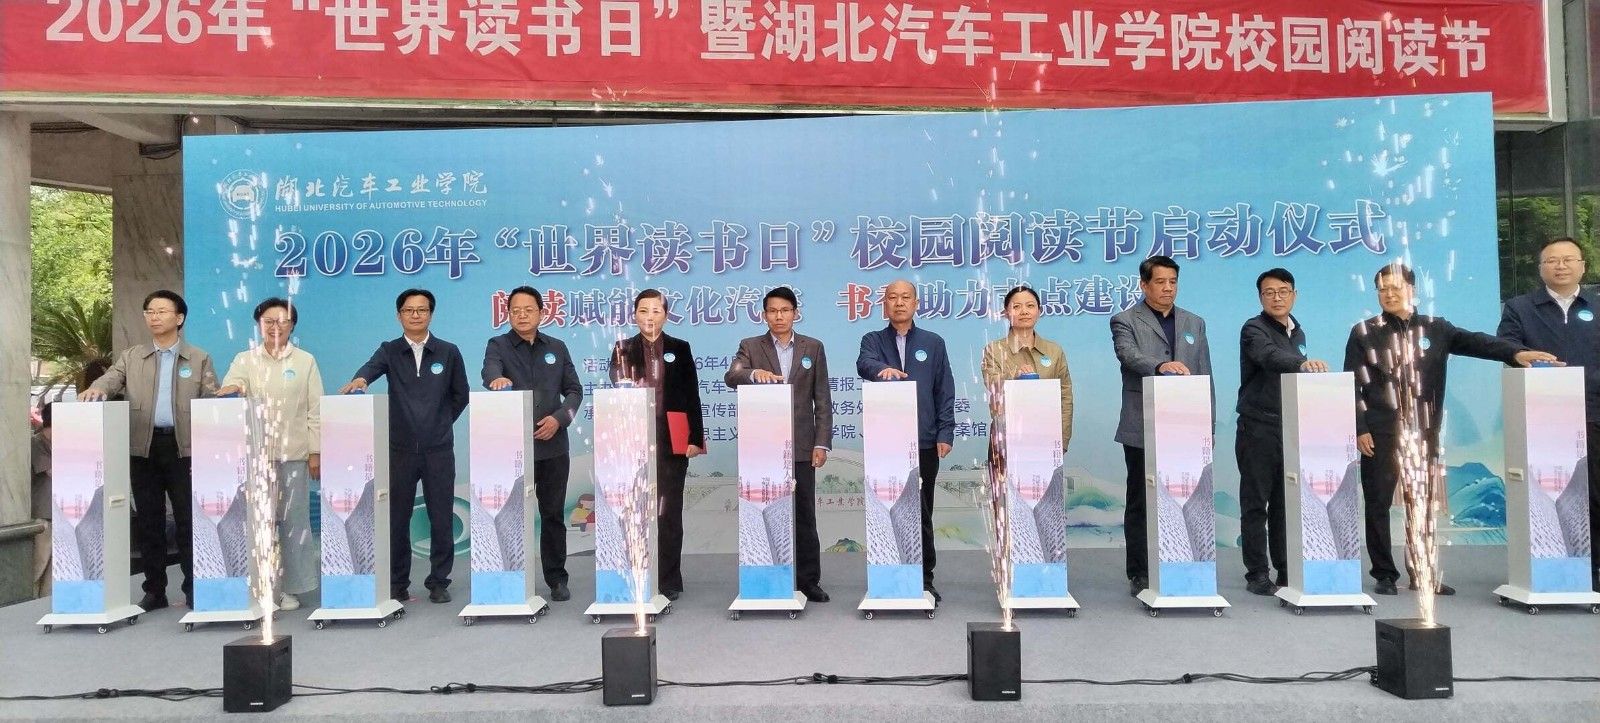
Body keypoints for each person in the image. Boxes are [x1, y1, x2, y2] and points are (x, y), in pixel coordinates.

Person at [1345, 262, 1555, 596]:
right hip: (1381, 433)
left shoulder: (1436, 328)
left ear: (1412, 290)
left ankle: (1422, 573)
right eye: (1382, 289)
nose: (1388, 294)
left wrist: (1516, 353)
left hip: (1423, 432)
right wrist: (1360, 427)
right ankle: (1384, 574)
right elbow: (1353, 385)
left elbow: (1478, 343)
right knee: (1378, 503)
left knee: (1421, 505)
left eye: (1395, 287)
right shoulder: (1364, 332)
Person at [81, 290, 219, 611]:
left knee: (188, 519)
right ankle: (155, 590)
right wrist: (97, 389)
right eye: (149, 312)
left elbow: (212, 399)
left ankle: (194, 588)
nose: (154, 317)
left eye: (161, 311)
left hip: (185, 448)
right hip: (143, 446)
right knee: (148, 520)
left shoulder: (198, 358)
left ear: (179, 318)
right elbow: (111, 379)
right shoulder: (132, 356)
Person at [339, 289, 469, 604]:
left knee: (441, 517)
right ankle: (398, 583)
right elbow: (369, 370)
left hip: (438, 450)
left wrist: (440, 423)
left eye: (421, 310)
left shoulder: (448, 352)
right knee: (397, 518)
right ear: (399, 316)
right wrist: (360, 380)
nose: (415, 315)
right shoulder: (390, 350)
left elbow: (461, 395)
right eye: (409, 310)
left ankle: (438, 581)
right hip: (400, 450)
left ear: (431, 314)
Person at [1497, 237, 1599, 592]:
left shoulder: (1597, 305)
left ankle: (1594, 567)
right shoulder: (1520, 307)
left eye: (1568, 259)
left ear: (1582, 266)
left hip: (1593, 410)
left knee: (1595, 492)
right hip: (1543, 416)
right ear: (1541, 268)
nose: (1560, 266)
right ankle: (1556, 567)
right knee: (1552, 495)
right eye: (1552, 260)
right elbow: (1508, 347)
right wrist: (1523, 357)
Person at [1110, 256, 1212, 597]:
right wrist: (1161, 366)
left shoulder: (1194, 322)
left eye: (1173, 282)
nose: (1168, 288)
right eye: (1160, 282)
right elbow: (1129, 356)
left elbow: (1204, 372)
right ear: (1144, 285)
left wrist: (1208, 425)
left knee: (1184, 496)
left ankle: (1183, 563)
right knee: (1141, 499)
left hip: (1187, 428)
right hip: (1143, 424)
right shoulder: (1125, 320)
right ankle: (1139, 572)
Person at [725, 287, 833, 603]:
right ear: (764, 315)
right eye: (772, 311)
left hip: (801, 443)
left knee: (803, 514)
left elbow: (822, 399)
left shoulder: (813, 347)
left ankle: (808, 581)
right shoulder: (750, 346)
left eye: (785, 310)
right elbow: (731, 377)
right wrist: (752, 373)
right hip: (764, 447)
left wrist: (822, 443)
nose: (779, 316)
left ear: (795, 313)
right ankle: (768, 575)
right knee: (765, 513)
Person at [216, 298, 324, 611]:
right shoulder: (245, 360)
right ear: (259, 324)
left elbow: (315, 410)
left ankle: (291, 589)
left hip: (293, 455)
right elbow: (232, 386)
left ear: (292, 325)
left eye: (282, 321)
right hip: (255, 458)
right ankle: (263, 588)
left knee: (294, 525)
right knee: (257, 525)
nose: (275, 327)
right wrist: (234, 388)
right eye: (268, 321)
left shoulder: (305, 361)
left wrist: (315, 451)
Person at [481, 286, 583, 602]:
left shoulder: (557, 347)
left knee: (552, 515)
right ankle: (512, 579)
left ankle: (556, 579)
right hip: (513, 449)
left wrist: (559, 419)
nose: (522, 315)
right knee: (511, 516)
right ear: (507, 314)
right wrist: (496, 380)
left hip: (553, 447)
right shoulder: (497, 345)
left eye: (528, 310)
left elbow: (575, 391)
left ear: (542, 312)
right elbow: (489, 371)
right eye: (516, 310)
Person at [857, 280, 956, 602]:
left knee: (921, 512)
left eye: (905, 297)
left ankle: (925, 579)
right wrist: (883, 369)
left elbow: (944, 389)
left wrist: (945, 432)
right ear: (884, 304)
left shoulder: (933, 342)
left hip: (924, 440)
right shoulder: (873, 340)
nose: (899, 303)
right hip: (885, 444)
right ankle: (888, 574)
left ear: (916, 303)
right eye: (892, 297)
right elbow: (864, 364)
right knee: (887, 510)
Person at [1236, 269, 1330, 596]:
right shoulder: (1253, 329)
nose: (1277, 298)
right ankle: (1257, 573)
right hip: (1257, 426)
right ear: (1260, 297)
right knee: (1255, 502)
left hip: (1290, 425)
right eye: (1269, 292)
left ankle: (1287, 569)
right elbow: (1268, 356)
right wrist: (1300, 364)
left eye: (1283, 291)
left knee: (1284, 502)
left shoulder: (1297, 331)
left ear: (1294, 295)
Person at [610, 289, 706, 601]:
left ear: (666, 315)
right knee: (635, 509)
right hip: (634, 437)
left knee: (669, 511)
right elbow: (617, 389)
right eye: (643, 311)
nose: (649, 317)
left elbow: (691, 394)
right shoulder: (623, 349)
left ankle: (668, 579)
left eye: (656, 311)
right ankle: (637, 574)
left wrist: (695, 438)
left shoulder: (680, 348)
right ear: (634, 315)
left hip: (672, 437)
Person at [31, 402, 53, 597]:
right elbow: (51, 472)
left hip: (58, 512)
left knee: (54, 566)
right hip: (42, 514)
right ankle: (31, 600)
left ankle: (46, 602)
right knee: (40, 561)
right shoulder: (37, 443)